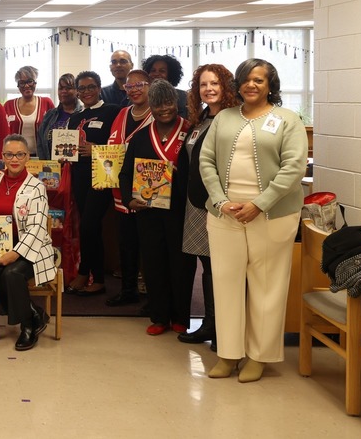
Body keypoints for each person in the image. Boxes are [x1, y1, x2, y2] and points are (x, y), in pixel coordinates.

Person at [200, 58, 308, 383]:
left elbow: (294, 168)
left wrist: (259, 204)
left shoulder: (287, 120)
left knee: (267, 286)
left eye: (259, 80)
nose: (251, 85)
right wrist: (220, 200)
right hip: (225, 213)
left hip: (272, 214)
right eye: (246, 79)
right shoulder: (224, 118)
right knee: (226, 282)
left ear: (270, 85)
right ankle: (228, 354)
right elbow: (206, 161)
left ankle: (259, 357)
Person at [119, 80, 194, 336]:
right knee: (153, 263)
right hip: (148, 212)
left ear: (177, 103)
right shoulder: (141, 136)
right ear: (151, 106)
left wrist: (179, 172)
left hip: (181, 211)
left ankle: (181, 317)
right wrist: (130, 200)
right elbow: (126, 173)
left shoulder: (190, 132)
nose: (164, 109)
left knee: (181, 264)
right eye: (158, 104)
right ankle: (160, 316)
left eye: (169, 103)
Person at [177, 63, 240, 351]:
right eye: (203, 84)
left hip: (217, 204)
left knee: (219, 267)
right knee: (208, 265)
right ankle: (211, 324)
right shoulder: (202, 119)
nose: (209, 89)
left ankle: (222, 328)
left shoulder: (233, 120)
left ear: (226, 86)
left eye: (215, 83)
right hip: (195, 202)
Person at [0, 135, 57, 351]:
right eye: (9, 154)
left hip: (34, 248)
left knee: (11, 273)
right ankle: (34, 313)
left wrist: (15, 254)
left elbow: (37, 228)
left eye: (20, 154)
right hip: (0, 245)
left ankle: (27, 327)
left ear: (27, 157)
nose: (14, 159)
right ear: (3, 156)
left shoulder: (36, 187)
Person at [64, 71, 121, 296]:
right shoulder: (76, 117)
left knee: (90, 225)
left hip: (102, 176)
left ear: (99, 88)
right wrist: (64, 153)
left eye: (91, 87)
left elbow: (120, 145)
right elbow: (67, 146)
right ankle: (89, 273)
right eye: (82, 88)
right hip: (79, 175)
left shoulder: (113, 111)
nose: (86, 92)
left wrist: (95, 150)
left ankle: (91, 275)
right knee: (87, 227)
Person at [103, 68, 154, 307]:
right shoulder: (122, 113)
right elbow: (111, 148)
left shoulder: (158, 113)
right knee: (127, 243)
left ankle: (153, 292)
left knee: (149, 244)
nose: (133, 90)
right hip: (120, 190)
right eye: (129, 86)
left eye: (139, 85)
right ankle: (128, 289)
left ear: (150, 86)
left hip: (149, 191)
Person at [4, 66, 55, 155]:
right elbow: (3, 133)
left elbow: (54, 130)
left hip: (41, 156)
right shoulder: (8, 105)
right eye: (22, 83)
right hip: (15, 156)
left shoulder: (46, 103)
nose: (26, 86)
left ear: (35, 83)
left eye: (30, 81)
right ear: (18, 85)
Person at [36, 73, 81, 160]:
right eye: (61, 88)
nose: (64, 91)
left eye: (68, 88)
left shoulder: (83, 114)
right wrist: (44, 165)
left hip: (75, 169)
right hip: (51, 167)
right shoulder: (50, 115)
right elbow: (40, 143)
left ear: (77, 91)